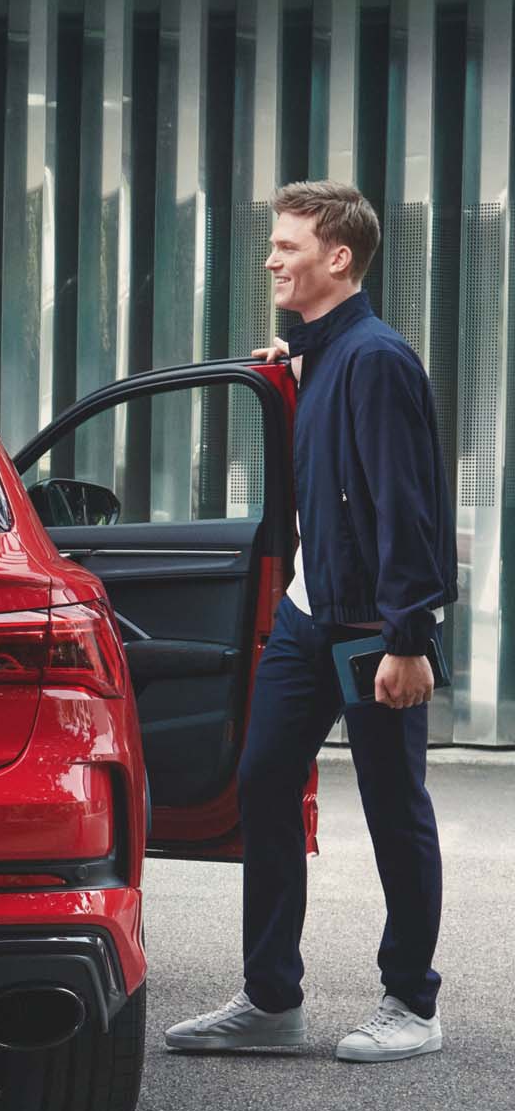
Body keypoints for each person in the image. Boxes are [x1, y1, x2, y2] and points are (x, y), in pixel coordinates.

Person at [165, 181, 458, 1064]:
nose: (270, 259)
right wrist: (294, 360)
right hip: (307, 614)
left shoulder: (377, 361)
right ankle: (270, 1000)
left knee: (391, 806)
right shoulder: (326, 355)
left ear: (339, 257)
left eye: (286, 245)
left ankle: (412, 1001)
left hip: (371, 626)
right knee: (260, 783)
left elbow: (409, 509)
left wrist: (409, 638)